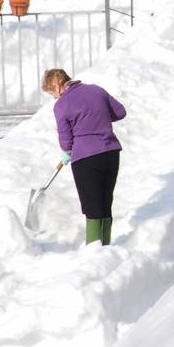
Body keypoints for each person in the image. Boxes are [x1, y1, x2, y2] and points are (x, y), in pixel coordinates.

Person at [44, 68, 126, 245]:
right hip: (110, 153)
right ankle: (105, 247)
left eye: (52, 93)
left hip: (86, 158)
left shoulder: (62, 105)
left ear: (57, 85)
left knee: (92, 205)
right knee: (105, 202)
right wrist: (97, 117)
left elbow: (66, 141)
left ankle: (94, 252)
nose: (55, 98)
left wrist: (67, 152)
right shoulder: (96, 90)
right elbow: (120, 112)